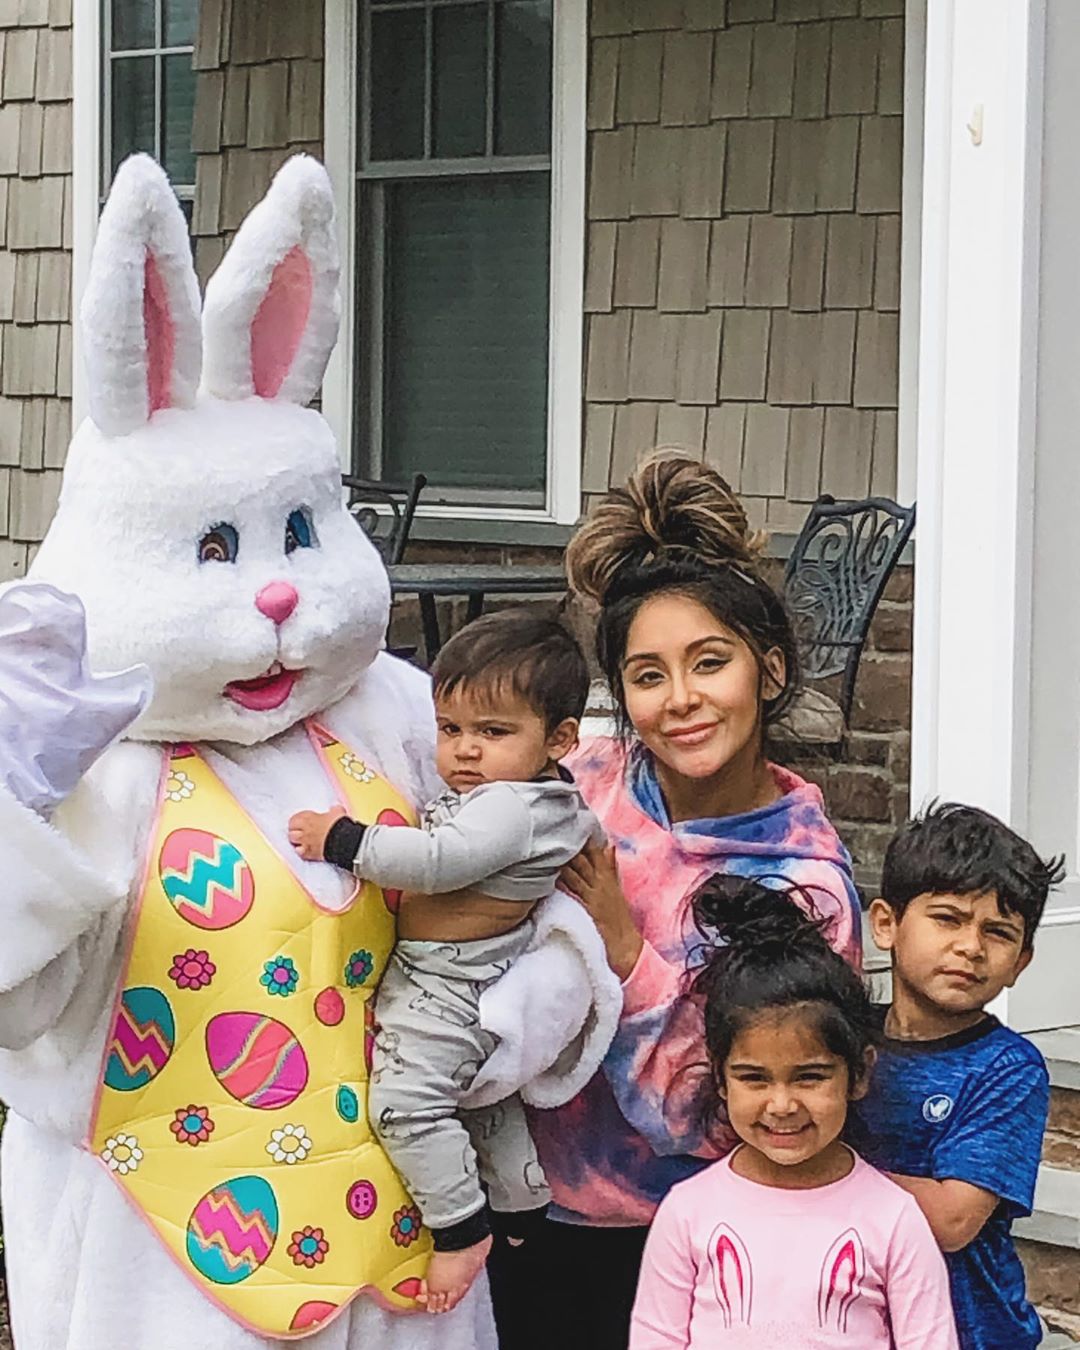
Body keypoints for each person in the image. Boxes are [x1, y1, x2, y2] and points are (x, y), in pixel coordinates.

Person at [488, 452, 864, 1350]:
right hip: (514, 1209)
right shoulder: (583, 785)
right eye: (649, 675)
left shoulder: (802, 884)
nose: (682, 700)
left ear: (767, 671)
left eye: (710, 663)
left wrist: (623, 945)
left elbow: (710, 1117)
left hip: (674, 1243)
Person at [288, 611, 601, 1315]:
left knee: (407, 1104)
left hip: (449, 986)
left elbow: (437, 863)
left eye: (493, 732)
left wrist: (343, 840)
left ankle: (461, 1227)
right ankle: (521, 1202)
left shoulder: (511, 810)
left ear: (560, 739)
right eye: (450, 728)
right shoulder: (544, 800)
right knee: (477, 1099)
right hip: (472, 974)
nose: (463, 751)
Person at [629, 873, 959, 1349]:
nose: (781, 1105)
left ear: (859, 1073)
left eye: (810, 1077)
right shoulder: (688, 1212)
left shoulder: (893, 1220)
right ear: (720, 1078)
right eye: (754, 1078)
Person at [850, 803, 1064, 1350]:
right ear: (886, 924)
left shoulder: (1006, 1069)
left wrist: (814, 1169)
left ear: (1022, 961)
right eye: (947, 918)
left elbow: (950, 1220)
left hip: (973, 1331)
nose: (970, 946)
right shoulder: (841, 1041)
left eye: (998, 932)